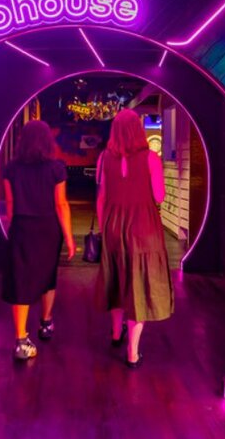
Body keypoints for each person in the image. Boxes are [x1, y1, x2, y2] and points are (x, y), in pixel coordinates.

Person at [95, 109, 173, 368]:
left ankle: (116, 334)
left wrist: (105, 227)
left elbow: (102, 198)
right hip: (143, 228)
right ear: (138, 130)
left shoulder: (104, 158)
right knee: (138, 285)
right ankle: (132, 352)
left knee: (117, 279)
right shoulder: (151, 158)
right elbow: (159, 196)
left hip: (114, 227)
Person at [2, 120, 75, 361]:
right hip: (48, 229)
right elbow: (61, 204)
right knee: (48, 276)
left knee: (20, 281)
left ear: (22, 140)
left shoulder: (11, 169)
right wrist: (69, 237)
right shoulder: (56, 168)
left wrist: (14, 226)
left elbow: (10, 205)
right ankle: (45, 324)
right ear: (47, 141)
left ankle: (21, 340)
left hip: (22, 227)